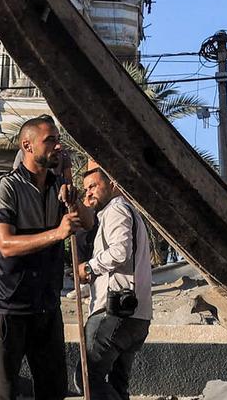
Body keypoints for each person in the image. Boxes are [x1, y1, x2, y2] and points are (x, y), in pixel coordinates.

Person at [0, 116, 83, 400]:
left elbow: (86, 221)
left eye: (57, 139)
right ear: (27, 145)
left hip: (46, 306)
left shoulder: (58, 188)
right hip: (8, 307)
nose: (57, 145)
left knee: (53, 390)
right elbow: (5, 245)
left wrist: (69, 183)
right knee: (3, 393)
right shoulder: (5, 187)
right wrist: (57, 233)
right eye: (49, 140)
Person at [76, 162, 152, 400]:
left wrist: (89, 266)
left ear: (113, 185)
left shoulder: (115, 210)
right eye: (85, 189)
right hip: (136, 316)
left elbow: (120, 252)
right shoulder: (128, 213)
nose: (88, 192)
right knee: (118, 386)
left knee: (87, 380)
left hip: (114, 312)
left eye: (94, 186)